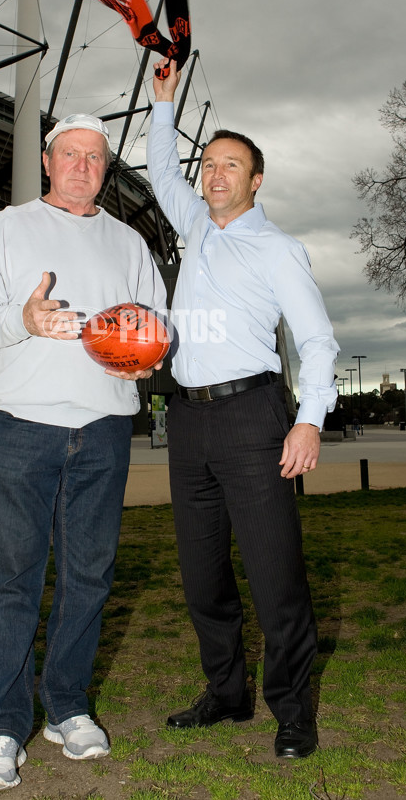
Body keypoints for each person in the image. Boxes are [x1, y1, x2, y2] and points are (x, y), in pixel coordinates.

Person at [0, 113, 166, 793]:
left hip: (104, 429)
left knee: (89, 578)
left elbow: (156, 325)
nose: (82, 165)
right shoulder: (5, 230)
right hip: (24, 426)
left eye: (95, 157)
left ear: (106, 169)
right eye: (70, 153)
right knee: (12, 578)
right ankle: (3, 726)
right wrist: (24, 319)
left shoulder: (130, 242)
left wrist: (147, 357)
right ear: (47, 161)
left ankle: (68, 708)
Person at [146, 59, 339, 759]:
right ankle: (227, 695)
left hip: (254, 417)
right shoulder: (196, 223)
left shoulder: (278, 249)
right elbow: (160, 174)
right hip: (188, 421)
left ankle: (293, 710)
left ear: (256, 181)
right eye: (211, 164)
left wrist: (310, 419)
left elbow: (317, 339)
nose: (215, 174)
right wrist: (164, 104)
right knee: (202, 577)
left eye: (232, 165)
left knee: (275, 573)